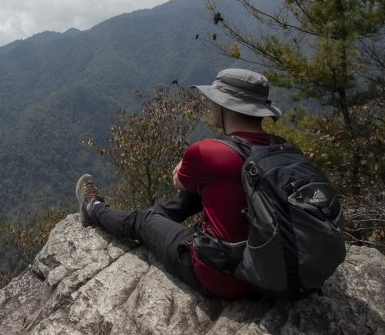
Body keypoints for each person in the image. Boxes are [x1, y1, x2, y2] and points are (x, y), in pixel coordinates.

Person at [76, 68, 282, 299]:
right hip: (274, 270)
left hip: (224, 276)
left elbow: (180, 181)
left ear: (225, 106)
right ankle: (157, 219)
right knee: (202, 191)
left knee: (141, 221)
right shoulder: (283, 149)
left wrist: (187, 164)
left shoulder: (208, 151)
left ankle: (93, 209)